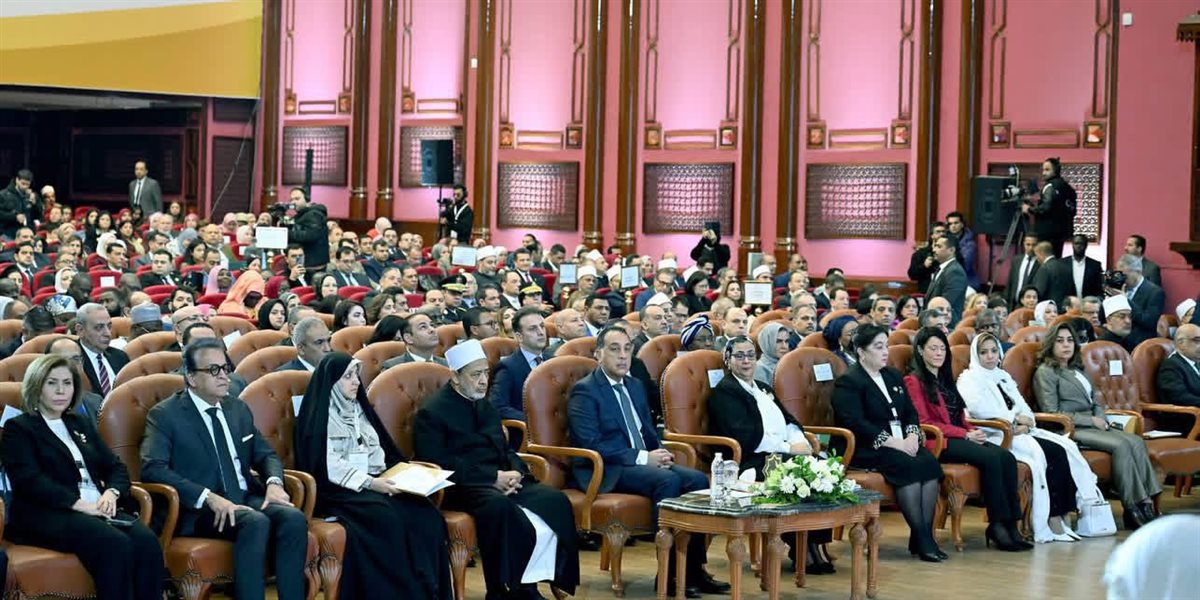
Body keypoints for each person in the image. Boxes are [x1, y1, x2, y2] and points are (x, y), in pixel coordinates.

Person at [141, 339, 308, 600]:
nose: (223, 376)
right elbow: (153, 468)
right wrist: (207, 496)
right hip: (199, 509)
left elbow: (265, 455)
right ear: (192, 378)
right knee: (254, 522)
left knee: (293, 518)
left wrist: (274, 483)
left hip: (243, 497)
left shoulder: (236, 408)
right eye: (213, 370)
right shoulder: (165, 415)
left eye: (225, 368)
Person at [567, 326, 727, 596]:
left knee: (698, 480)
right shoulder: (585, 391)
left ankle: (694, 570)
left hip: (642, 461)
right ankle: (669, 574)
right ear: (598, 354)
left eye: (627, 349)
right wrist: (643, 457)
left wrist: (660, 453)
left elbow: (647, 431)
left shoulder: (634, 385)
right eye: (614, 349)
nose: (623, 356)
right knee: (668, 481)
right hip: (608, 468)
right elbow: (591, 444)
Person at [415, 339, 580, 599]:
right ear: (456, 377)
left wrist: (516, 472)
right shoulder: (432, 413)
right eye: (475, 375)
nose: (483, 381)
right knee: (501, 509)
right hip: (463, 487)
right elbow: (440, 463)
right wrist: (493, 478)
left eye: (485, 373)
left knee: (554, 500)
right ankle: (506, 589)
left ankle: (540, 581)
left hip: (500, 478)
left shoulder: (484, 404)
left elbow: (504, 447)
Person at [0, 354, 166, 599]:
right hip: (47, 513)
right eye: (51, 383)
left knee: (147, 541)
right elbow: (30, 481)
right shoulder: (20, 428)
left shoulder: (80, 423)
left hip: (97, 507)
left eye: (67, 383)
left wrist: (111, 493)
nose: (61, 391)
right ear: (36, 386)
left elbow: (115, 467)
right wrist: (79, 505)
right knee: (113, 543)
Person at [293, 353, 452, 598]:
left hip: (376, 482)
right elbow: (328, 465)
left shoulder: (359, 408)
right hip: (339, 490)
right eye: (347, 376)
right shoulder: (319, 415)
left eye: (356, 375)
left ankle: (428, 589)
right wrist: (371, 482)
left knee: (424, 512)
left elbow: (382, 450)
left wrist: (399, 475)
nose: (355, 381)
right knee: (386, 518)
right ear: (332, 381)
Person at [706, 336, 836, 574]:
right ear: (728, 359)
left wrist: (799, 441)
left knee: (820, 467)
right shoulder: (725, 392)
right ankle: (800, 547)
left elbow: (788, 420)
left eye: (750, 355)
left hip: (777, 453)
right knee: (797, 471)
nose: (746, 361)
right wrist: (788, 449)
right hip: (750, 459)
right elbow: (745, 437)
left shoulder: (763, 388)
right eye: (739, 356)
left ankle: (814, 544)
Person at [957, 332, 1100, 543]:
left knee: (1063, 448)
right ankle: (1051, 518)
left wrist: (1028, 422)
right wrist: (1015, 420)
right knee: (1048, 453)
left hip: (1021, 431)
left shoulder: (1002, 376)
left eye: (994, 351)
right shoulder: (969, 379)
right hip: (997, 434)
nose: (990, 356)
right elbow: (980, 410)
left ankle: (1063, 515)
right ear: (976, 355)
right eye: (984, 352)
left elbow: (1023, 405)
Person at [904, 327, 1029, 551]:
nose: (939, 353)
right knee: (991, 459)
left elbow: (959, 417)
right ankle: (997, 525)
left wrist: (972, 430)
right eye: (933, 348)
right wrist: (965, 434)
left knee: (1006, 457)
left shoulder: (945, 378)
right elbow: (925, 421)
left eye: (942, 348)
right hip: (939, 441)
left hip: (959, 435)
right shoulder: (914, 381)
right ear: (920, 350)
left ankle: (1011, 524)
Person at [832, 324, 945, 561]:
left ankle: (922, 536)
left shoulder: (892, 375)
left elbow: (910, 412)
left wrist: (912, 435)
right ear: (861, 352)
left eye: (887, 346)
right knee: (907, 465)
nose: (885, 352)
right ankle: (923, 539)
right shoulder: (849, 381)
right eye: (878, 347)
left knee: (929, 464)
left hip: (900, 442)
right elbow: (855, 423)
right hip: (865, 446)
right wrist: (893, 442)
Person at [1034, 322, 1161, 529]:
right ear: (1050, 344)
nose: (1066, 345)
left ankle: (1146, 502)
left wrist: (1100, 417)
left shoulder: (1077, 368)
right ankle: (1131, 506)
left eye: (1070, 340)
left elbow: (1095, 402)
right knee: (1122, 445)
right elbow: (1051, 412)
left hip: (1094, 423)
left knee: (1136, 441)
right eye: (1060, 341)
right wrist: (1090, 420)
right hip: (1069, 428)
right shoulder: (1046, 372)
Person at [490, 307, 547, 422]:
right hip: (529, 428)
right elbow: (498, 406)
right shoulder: (508, 367)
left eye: (542, 326)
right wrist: (534, 420)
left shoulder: (554, 361)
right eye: (532, 329)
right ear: (519, 337)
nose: (541, 332)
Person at [1023, 157, 1076, 257]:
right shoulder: (1068, 187)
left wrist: (1029, 209)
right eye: (1043, 170)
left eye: (1047, 170)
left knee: (1044, 260)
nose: (1043, 173)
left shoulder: (1050, 186)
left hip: (1046, 233)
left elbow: (1046, 207)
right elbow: (1072, 210)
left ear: (1056, 170)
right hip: (1061, 233)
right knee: (1055, 260)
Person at [1107, 254, 1165, 346]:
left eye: (1124, 275)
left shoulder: (1155, 292)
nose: (1122, 278)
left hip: (1140, 342)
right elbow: (1104, 317)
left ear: (1138, 272)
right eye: (1119, 274)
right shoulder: (1120, 288)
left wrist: (1125, 300)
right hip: (1116, 339)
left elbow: (1149, 322)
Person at [74, 303, 129, 398]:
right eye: (99, 327)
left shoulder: (120, 356)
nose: (108, 333)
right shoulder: (72, 360)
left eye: (109, 326)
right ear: (81, 330)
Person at [925, 233, 967, 326]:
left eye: (939, 246)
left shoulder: (955, 272)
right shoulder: (942, 269)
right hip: (934, 322)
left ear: (951, 250)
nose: (934, 250)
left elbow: (944, 304)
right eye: (935, 246)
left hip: (946, 325)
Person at [382, 311, 448, 369]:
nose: (432, 330)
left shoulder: (446, 364)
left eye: (432, 325)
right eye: (423, 327)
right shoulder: (393, 367)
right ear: (408, 338)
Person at [285, 187, 329, 272]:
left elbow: (310, 235)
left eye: (297, 199)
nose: (293, 202)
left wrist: (286, 233)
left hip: (313, 265)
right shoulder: (302, 215)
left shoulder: (313, 214)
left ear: (307, 199)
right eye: (291, 200)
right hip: (307, 263)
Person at [907, 222, 947, 294]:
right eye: (938, 232)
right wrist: (924, 266)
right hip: (926, 292)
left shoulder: (950, 252)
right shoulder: (920, 254)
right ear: (932, 235)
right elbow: (912, 275)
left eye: (943, 231)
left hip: (944, 292)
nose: (941, 234)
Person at [1006, 233, 1041, 308]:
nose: (1031, 248)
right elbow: (1010, 281)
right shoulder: (1016, 260)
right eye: (1028, 244)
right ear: (1024, 244)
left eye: (1034, 245)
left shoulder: (1040, 263)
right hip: (1014, 303)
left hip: (1031, 305)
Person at [945, 212, 979, 288]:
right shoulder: (944, 240)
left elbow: (964, 267)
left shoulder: (970, 244)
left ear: (962, 224)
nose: (953, 226)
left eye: (956, 223)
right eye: (950, 224)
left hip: (967, 282)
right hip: (947, 282)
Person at [755, 321, 794, 386]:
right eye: (778, 341)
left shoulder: (790, 364)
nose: (784, 346)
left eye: (786, 341)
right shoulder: (759, 369)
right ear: (767, 342)